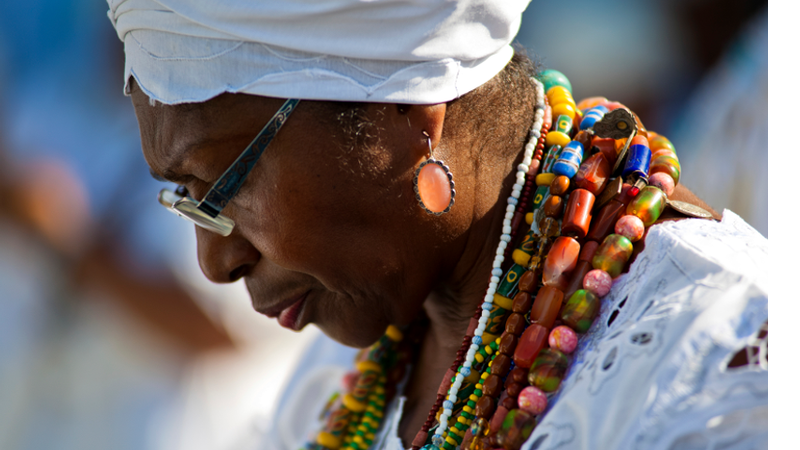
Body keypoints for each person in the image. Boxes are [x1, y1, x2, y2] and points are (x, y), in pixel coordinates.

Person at [107, 1, 768, 449]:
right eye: (185, 200)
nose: (215, 263)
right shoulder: (344, 375)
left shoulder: (713, 362)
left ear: (406, 114)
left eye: (221, 186)